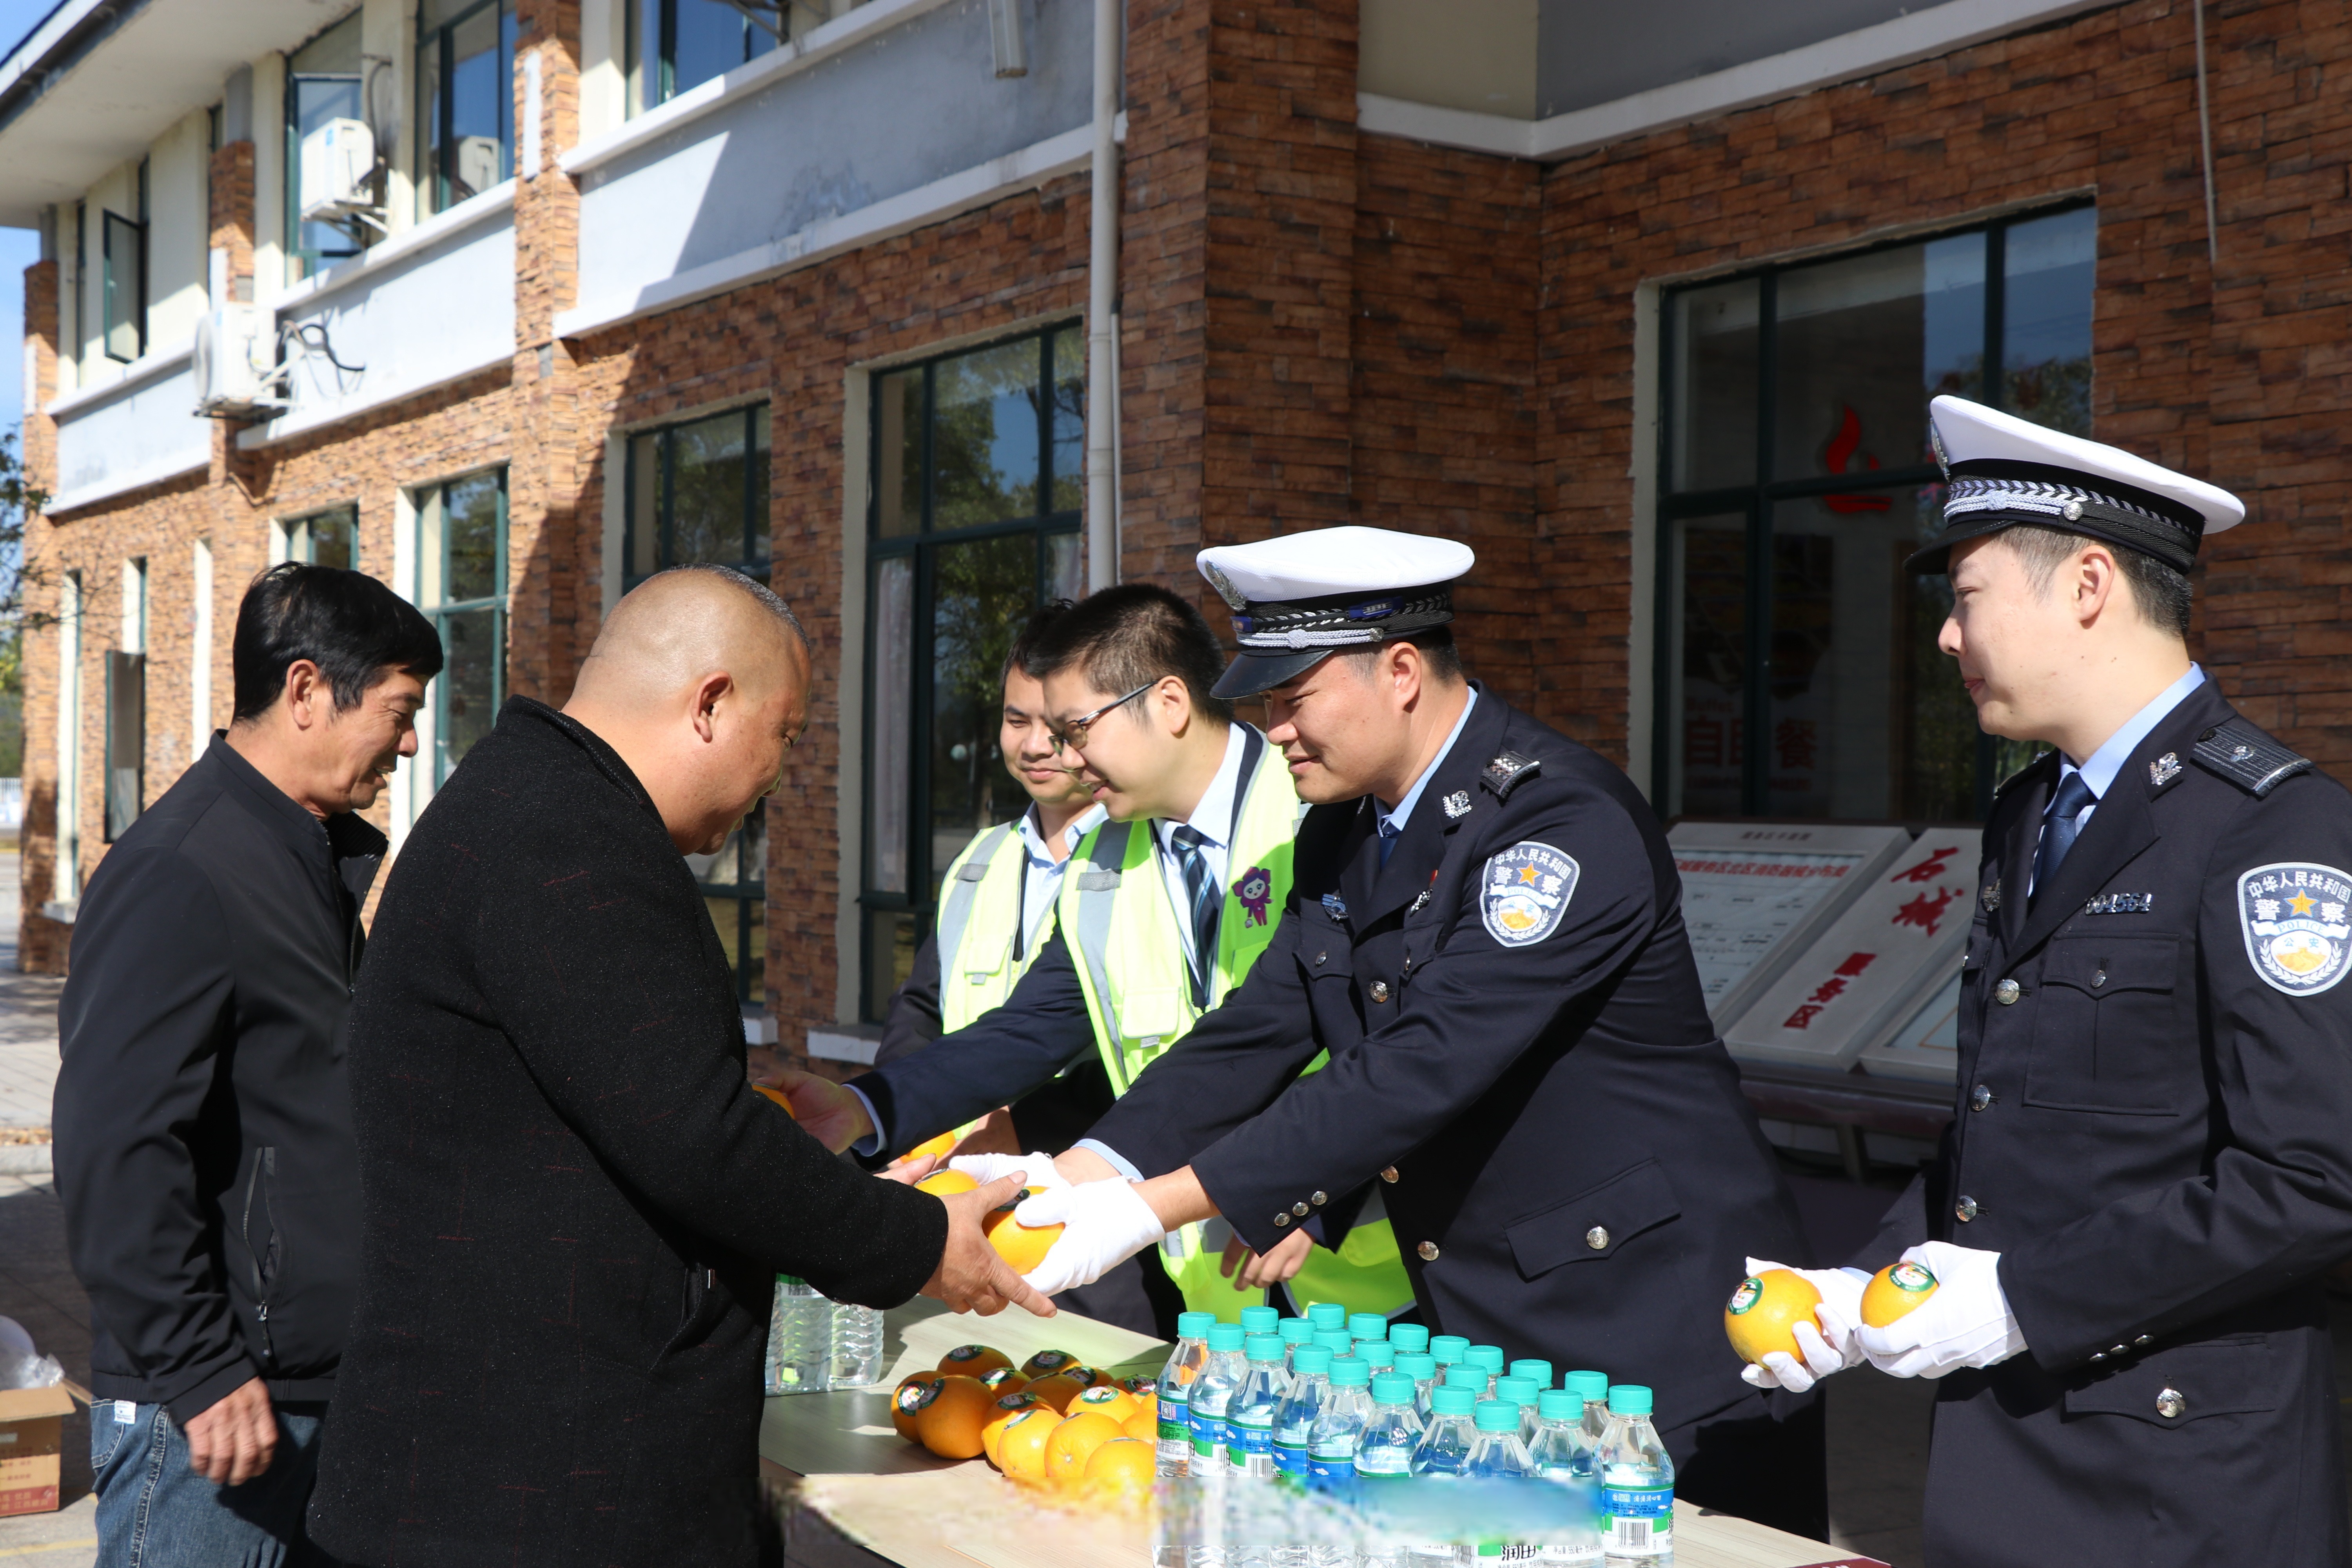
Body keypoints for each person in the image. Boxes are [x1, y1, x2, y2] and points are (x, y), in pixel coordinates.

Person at [990, 526, 1826, 1537]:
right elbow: (1254, 1030)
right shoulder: (1343, 830)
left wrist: (1148, 1210)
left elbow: (1422, 1063)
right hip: (1495, 1329)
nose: (1273, 729)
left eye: (1292, 699)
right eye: (1262, 701)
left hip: (1656, 1327)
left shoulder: (1557, 822)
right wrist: (1078, 1173)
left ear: (1398, 672)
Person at [306, 566, 1047, 1568]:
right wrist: (915, 1239)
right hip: (533, 1498)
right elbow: (697, 1138)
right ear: (710, 703)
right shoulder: (567, 835)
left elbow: (619, 1110)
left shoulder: (533, 799)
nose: (782, 776)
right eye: (784, 735)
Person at [1735, 396, 2352, 1566]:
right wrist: (1860, 1289)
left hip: (2173, 1488)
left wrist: (2023, 1299)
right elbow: (2004, 1137)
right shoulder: (2033, 816)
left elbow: (2313, 1179)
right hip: (2005, 1467)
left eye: (1965, 601)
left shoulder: (2274, 835)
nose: (1946, 641)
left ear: (2084, 586)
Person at [778, 584, 1414, 1333]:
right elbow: (1025, 1032)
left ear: (1170, 703)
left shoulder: (1324, 809)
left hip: (1381, 1287)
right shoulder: (1100, 865)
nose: (1065, 757)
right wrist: (865, 1108)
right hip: (1218, 1301)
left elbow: (1403, 1043)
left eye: (1078, 728)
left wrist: (1314, 1194)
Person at [52, 563, 442, 1567]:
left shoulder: (304, 860)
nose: (409, 742)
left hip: (299, 1390)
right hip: (212, 1416)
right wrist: (198, 1366)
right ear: (306, 689)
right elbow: (116, 1145)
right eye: (399, 710)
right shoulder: (182, 867)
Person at [755, 602, 1106, 1155]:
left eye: (1058, 726)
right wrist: (900, 1134)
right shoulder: (980, 859)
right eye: (1018, 721)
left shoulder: (1143, 856)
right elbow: (919, 1010)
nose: (1035, 745)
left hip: (1092, 1176)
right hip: (956, 1174)